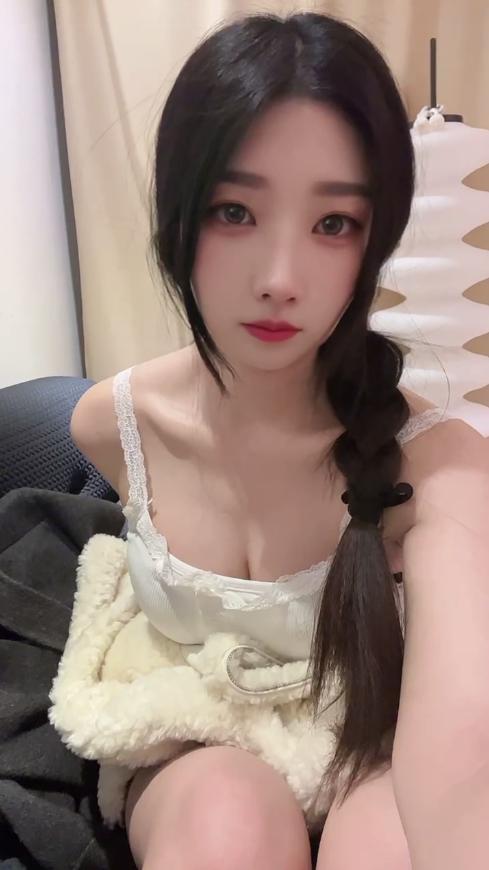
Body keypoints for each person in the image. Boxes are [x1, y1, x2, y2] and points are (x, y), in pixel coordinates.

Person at [69, 11, 489, 870]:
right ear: (177, 212)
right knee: (225, 818)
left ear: (375, 238)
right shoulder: (113, 425)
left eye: (333, 223)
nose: (279, 279)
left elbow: (463, 755)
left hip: (376, 750)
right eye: (234, 211)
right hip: (193, 750)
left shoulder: (438, 461)